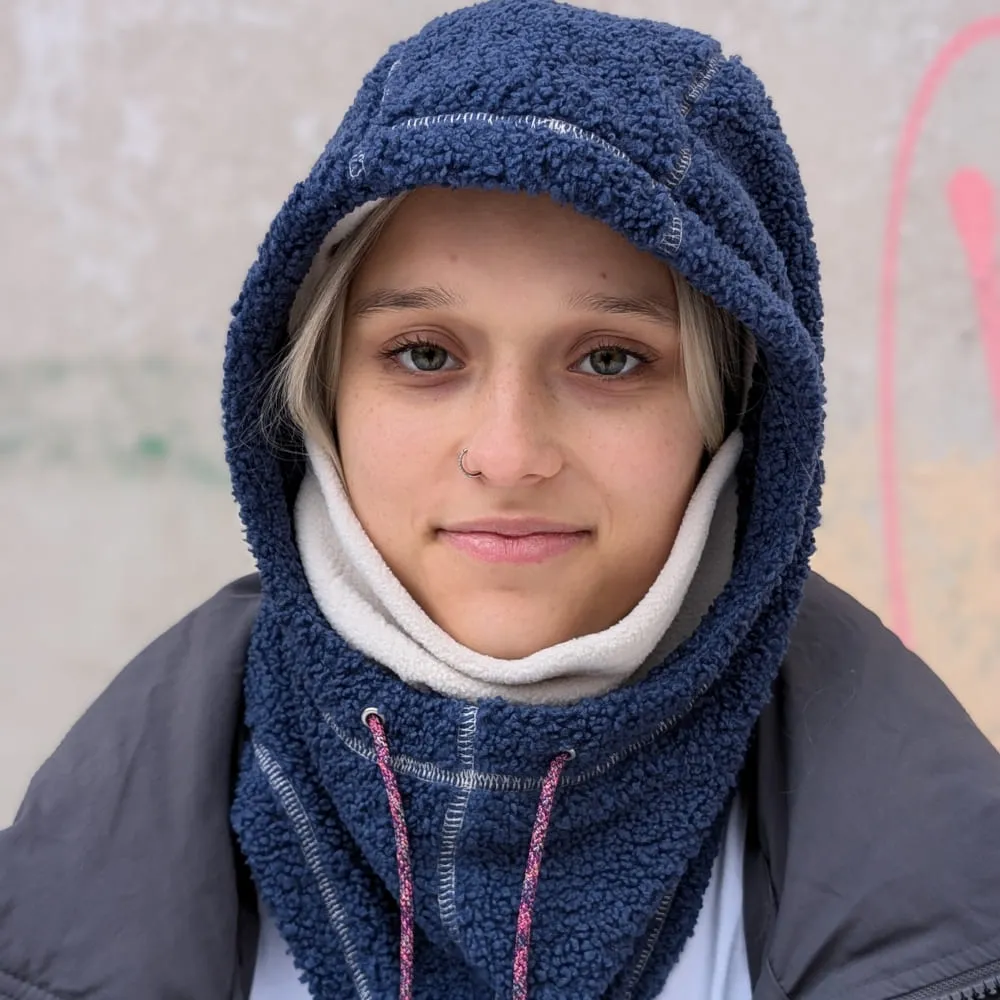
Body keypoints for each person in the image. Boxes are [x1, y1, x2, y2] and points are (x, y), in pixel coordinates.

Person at [2, 1, 998, 998]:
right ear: (318, 398)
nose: (510, 455)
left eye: (610, 360)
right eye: (425, 355)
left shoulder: (944, 887)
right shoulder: (73, 890)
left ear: (734, 412)